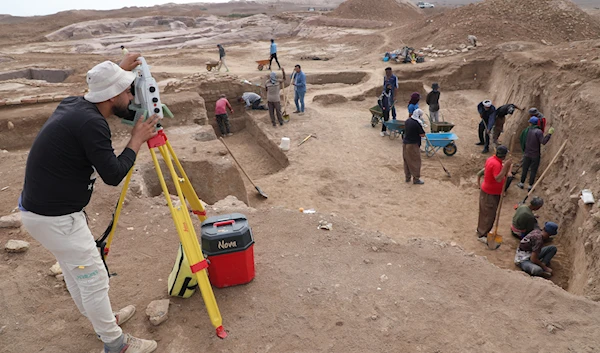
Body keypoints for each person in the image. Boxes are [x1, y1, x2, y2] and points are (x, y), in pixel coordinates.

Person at [19, 55, 159, 353]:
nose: (132, 97)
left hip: (40, 213)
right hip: (56, 219)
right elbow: (113, 174)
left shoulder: (74, 105)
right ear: (110, 96)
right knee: (93, 278)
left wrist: (117, 72)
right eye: (126, 91)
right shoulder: (92, 124)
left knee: (75, 271)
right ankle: (114, 342)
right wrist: (136, 139)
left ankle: (104, 321)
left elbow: (108, 91)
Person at [476, 146, 512, 243]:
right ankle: (482, 234)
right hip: (490, 193)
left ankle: (482, 231)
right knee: (488, 214)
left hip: (490, 192)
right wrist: (505, 167)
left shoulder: (491, 159)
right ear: (503, 156)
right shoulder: (496, 164)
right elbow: (498, 178)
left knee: (486, 213)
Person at [518, 117, 554, 191]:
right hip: (535, 155)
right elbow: (543, 142)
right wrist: (549, 134)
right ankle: (530, 186)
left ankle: (521, 183)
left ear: (531, 123)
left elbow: (522, 139)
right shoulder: (538, 132)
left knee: (525, 169)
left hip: (527, 154)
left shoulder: (527, 131)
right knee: (533, 171)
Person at [403, 108, 426, 185]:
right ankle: (416, 179)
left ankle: (407, 177)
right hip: (413, 145)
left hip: (405, 144)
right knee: (415, 161)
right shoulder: (416, 124)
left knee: (407, 160)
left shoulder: (408, 121)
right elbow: (422, 134)